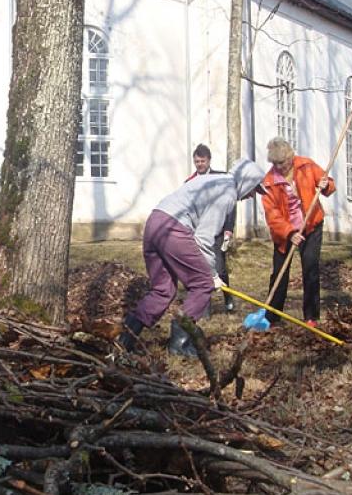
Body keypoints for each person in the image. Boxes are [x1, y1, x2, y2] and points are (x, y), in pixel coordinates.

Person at [119, 158, 268, 357]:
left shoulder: (212, 180)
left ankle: (125, 340)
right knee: (202, 284)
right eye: (253, 189)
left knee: (163, 290)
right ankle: (180, 343)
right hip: (174, 228)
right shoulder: (227, 193)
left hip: (154, 222)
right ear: (246, 181)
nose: (251, 196)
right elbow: (204, 238)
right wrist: (212, 274)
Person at [261, 137, 335, 326]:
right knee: (279, 273)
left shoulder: (306, 166)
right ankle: (271, 316)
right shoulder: (269, 182)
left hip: (311, 225)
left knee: (310, 268)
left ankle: (311, 316)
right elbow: (273, 215)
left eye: (284, 162)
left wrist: (326, 185)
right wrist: (289, 233)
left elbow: (327, 185)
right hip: (285, 233)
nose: (282, 167)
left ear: (290, 156)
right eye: (277, 163)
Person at [185, 144, 237, 312]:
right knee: (201, 268)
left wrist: (229, 228)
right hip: (198, 232)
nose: (199, 164)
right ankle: (204, 305)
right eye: (197, 161)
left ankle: (228, 298)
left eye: (202, 161)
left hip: (218, 230)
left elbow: (230, 204)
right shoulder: (189, 182)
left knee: (219, 267)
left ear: (209, 160)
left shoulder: (220, 179)